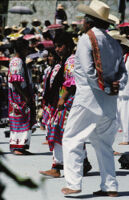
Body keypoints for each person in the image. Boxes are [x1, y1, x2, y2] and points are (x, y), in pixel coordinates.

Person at [61, 0, 128, 196]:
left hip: (88, 99)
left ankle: (73, 183)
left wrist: (105, 87)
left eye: (84, 19)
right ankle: (110, 187)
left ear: (89, 22)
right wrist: (114, 87)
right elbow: (122, 73)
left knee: (71, 138)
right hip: (109, 102)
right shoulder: (114, 43)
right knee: (103, 144)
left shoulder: (85, 39)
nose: (82, 22)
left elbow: (89, 72)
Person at [40, 32, 91, 178]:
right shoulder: (65, 61)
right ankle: (81, 162)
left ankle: (58, 167)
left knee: (60, 131)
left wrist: (62, 99)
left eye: (60, 46)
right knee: (68, 133)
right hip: (68, 103)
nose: (57, 49)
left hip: (69, 103)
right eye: (55, 46)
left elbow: (72, 83)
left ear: (68, 46)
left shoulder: (70, 61)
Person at [8, 38, 36, 155]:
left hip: (22, 93)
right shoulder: (16, 62)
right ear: (22, 49)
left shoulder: (21, 61)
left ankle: (22, 146)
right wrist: (24, 96)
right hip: (18, 95)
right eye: (26, 49)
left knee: (24, 119)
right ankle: (17, 147)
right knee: (20, 119)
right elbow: (15, 82)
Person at [117, 40, 129, 145]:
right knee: (121, 115)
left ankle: (127, 138)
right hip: (121, 91)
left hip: (128, 91)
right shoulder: (121, 59)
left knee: (126, 115)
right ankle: (126, 135)